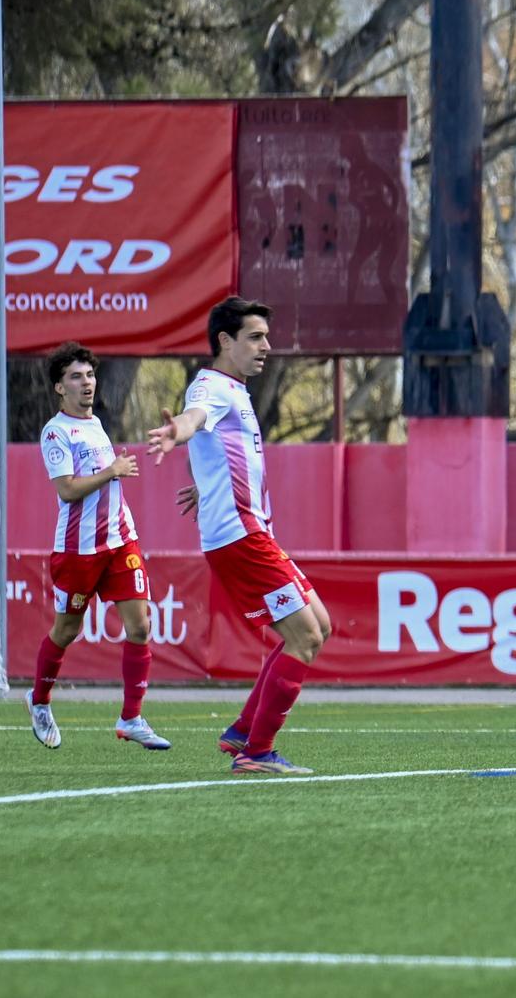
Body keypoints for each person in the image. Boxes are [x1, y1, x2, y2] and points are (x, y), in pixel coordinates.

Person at [147, 296, 333, 776]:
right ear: (225, 341)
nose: (266, 346)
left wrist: (205, 484)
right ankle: (257, 752)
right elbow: (196, 418)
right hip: (240, 537)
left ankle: (242, 731)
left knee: (320, 625)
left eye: (266, 337)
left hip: (253, 531)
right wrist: (178, 432)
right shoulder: (210, 387)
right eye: (255, 337)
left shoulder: (234, 388)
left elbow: (225, 452)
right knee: (305, 637)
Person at [24, 342, 169, 751]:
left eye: (89, 375)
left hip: (120, 540)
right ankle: (39, 701)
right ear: (59, 387)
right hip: (78, 550)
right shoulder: (56, 431)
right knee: (66, 630)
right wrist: (113, 470)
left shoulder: (96, 425)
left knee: (140, 625)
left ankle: (132, 718)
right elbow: (68, 490)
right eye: (75, 376)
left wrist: (112, 472)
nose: (86, 382)